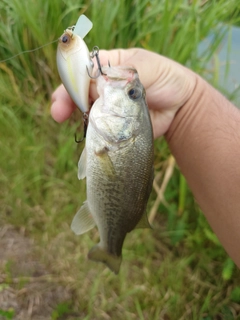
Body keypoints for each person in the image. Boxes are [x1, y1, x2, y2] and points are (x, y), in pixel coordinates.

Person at [51, 48, 240, 268]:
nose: (130, 88)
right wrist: (189, 99)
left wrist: (190, 98)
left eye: (132, 94)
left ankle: (109, 249)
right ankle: (110, 249)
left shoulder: (114, 140)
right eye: (133, 94)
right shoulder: (114, 139)